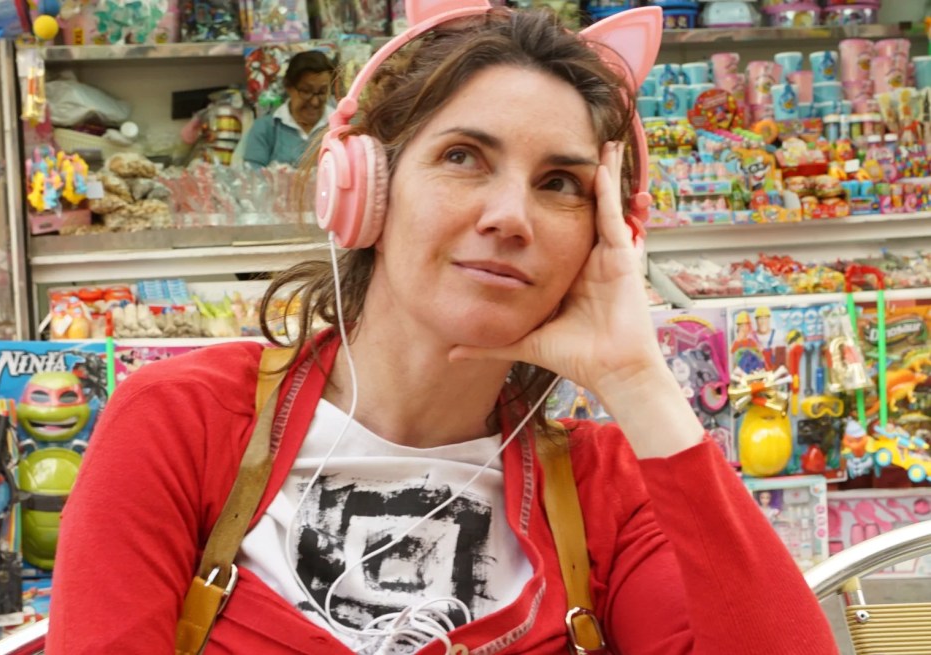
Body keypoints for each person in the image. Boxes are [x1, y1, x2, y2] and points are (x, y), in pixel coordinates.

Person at [46, 3, 840, 654]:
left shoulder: (607, 491)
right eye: (463, 157)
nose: (510, 216)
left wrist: (639, 382)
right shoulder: (184, 423)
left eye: (560, 183)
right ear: (363, 188)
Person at [241, 50, 335, 168]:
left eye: (322, 92)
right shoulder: (266, 129)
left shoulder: (340, 128)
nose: (315, 102)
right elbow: (251, 174)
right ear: (288, 86)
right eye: (306, 91)